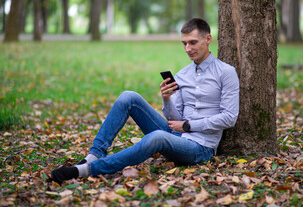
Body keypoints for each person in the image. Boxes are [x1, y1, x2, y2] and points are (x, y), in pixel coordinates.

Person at [51, 18, 239, 184]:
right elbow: (175, 120)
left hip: (200, 147)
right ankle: (94, 155)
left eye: (193, 43)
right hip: (176, 134)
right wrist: (167, 100)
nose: (187, 49)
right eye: (184, 44)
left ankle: (87, 170)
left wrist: (189, 125)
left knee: (157, 137)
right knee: (128, 96)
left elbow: (230, 118)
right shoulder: (183, 74)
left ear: (208, 39)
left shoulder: (226, 72)